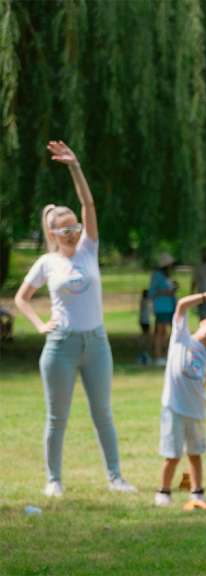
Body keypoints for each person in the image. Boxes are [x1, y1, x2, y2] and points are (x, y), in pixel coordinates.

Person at [13, 140, 138, 497]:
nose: (75, 233)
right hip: (61, 347)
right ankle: (54, 481)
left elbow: (88, 203)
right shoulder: (47, 263)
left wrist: (74, 166)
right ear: (53, 234)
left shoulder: (89, 249)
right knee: (57, 418)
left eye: (77, 227)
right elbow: (22, 299)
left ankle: (116, 478)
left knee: (103, 414)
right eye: (66, 230)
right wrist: (39, 325)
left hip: (97, 344)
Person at [154, 286, 206, 506]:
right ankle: (163, 492)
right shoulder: (182, 336)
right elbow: (181, 305)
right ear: (204, 322)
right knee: (173, 454)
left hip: (196, 411)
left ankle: (197, 492)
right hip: (173, 407)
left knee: (195, 454)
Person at [150, 252, 179, 366]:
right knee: (161, 331)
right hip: (161, 307)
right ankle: (158, 356)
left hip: (171, 306)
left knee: (171, 331)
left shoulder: (168, 275)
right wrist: (165, 292)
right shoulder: (157, 275)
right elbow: (152, 291)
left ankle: (169, 355)